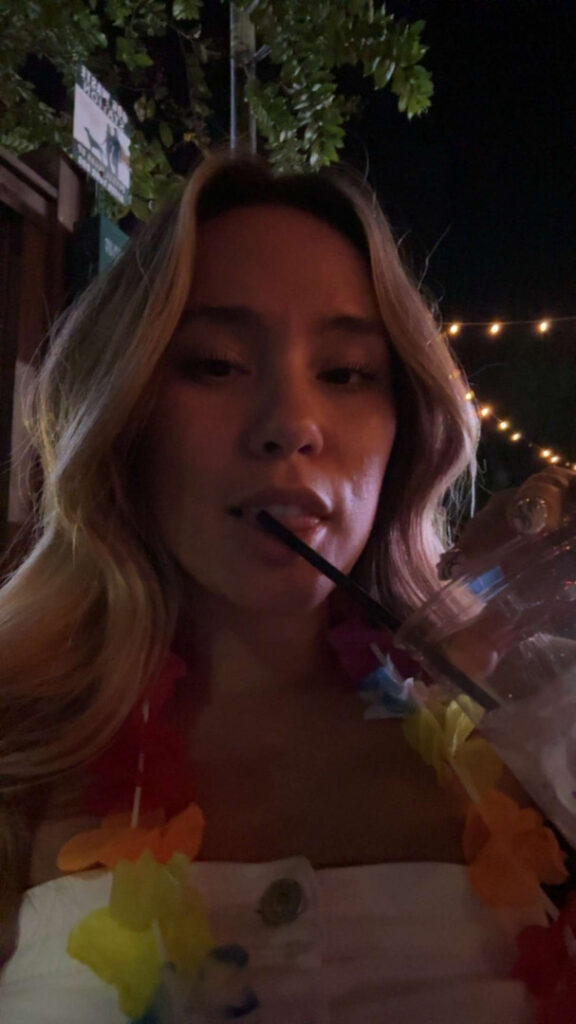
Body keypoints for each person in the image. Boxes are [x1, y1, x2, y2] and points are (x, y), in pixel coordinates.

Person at [0, 149, 574, 1023]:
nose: (291, 425)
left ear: (405, 429)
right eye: (216, 364)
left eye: (345, 373)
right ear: (128, 413)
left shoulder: (530, 709)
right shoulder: (19, 733)